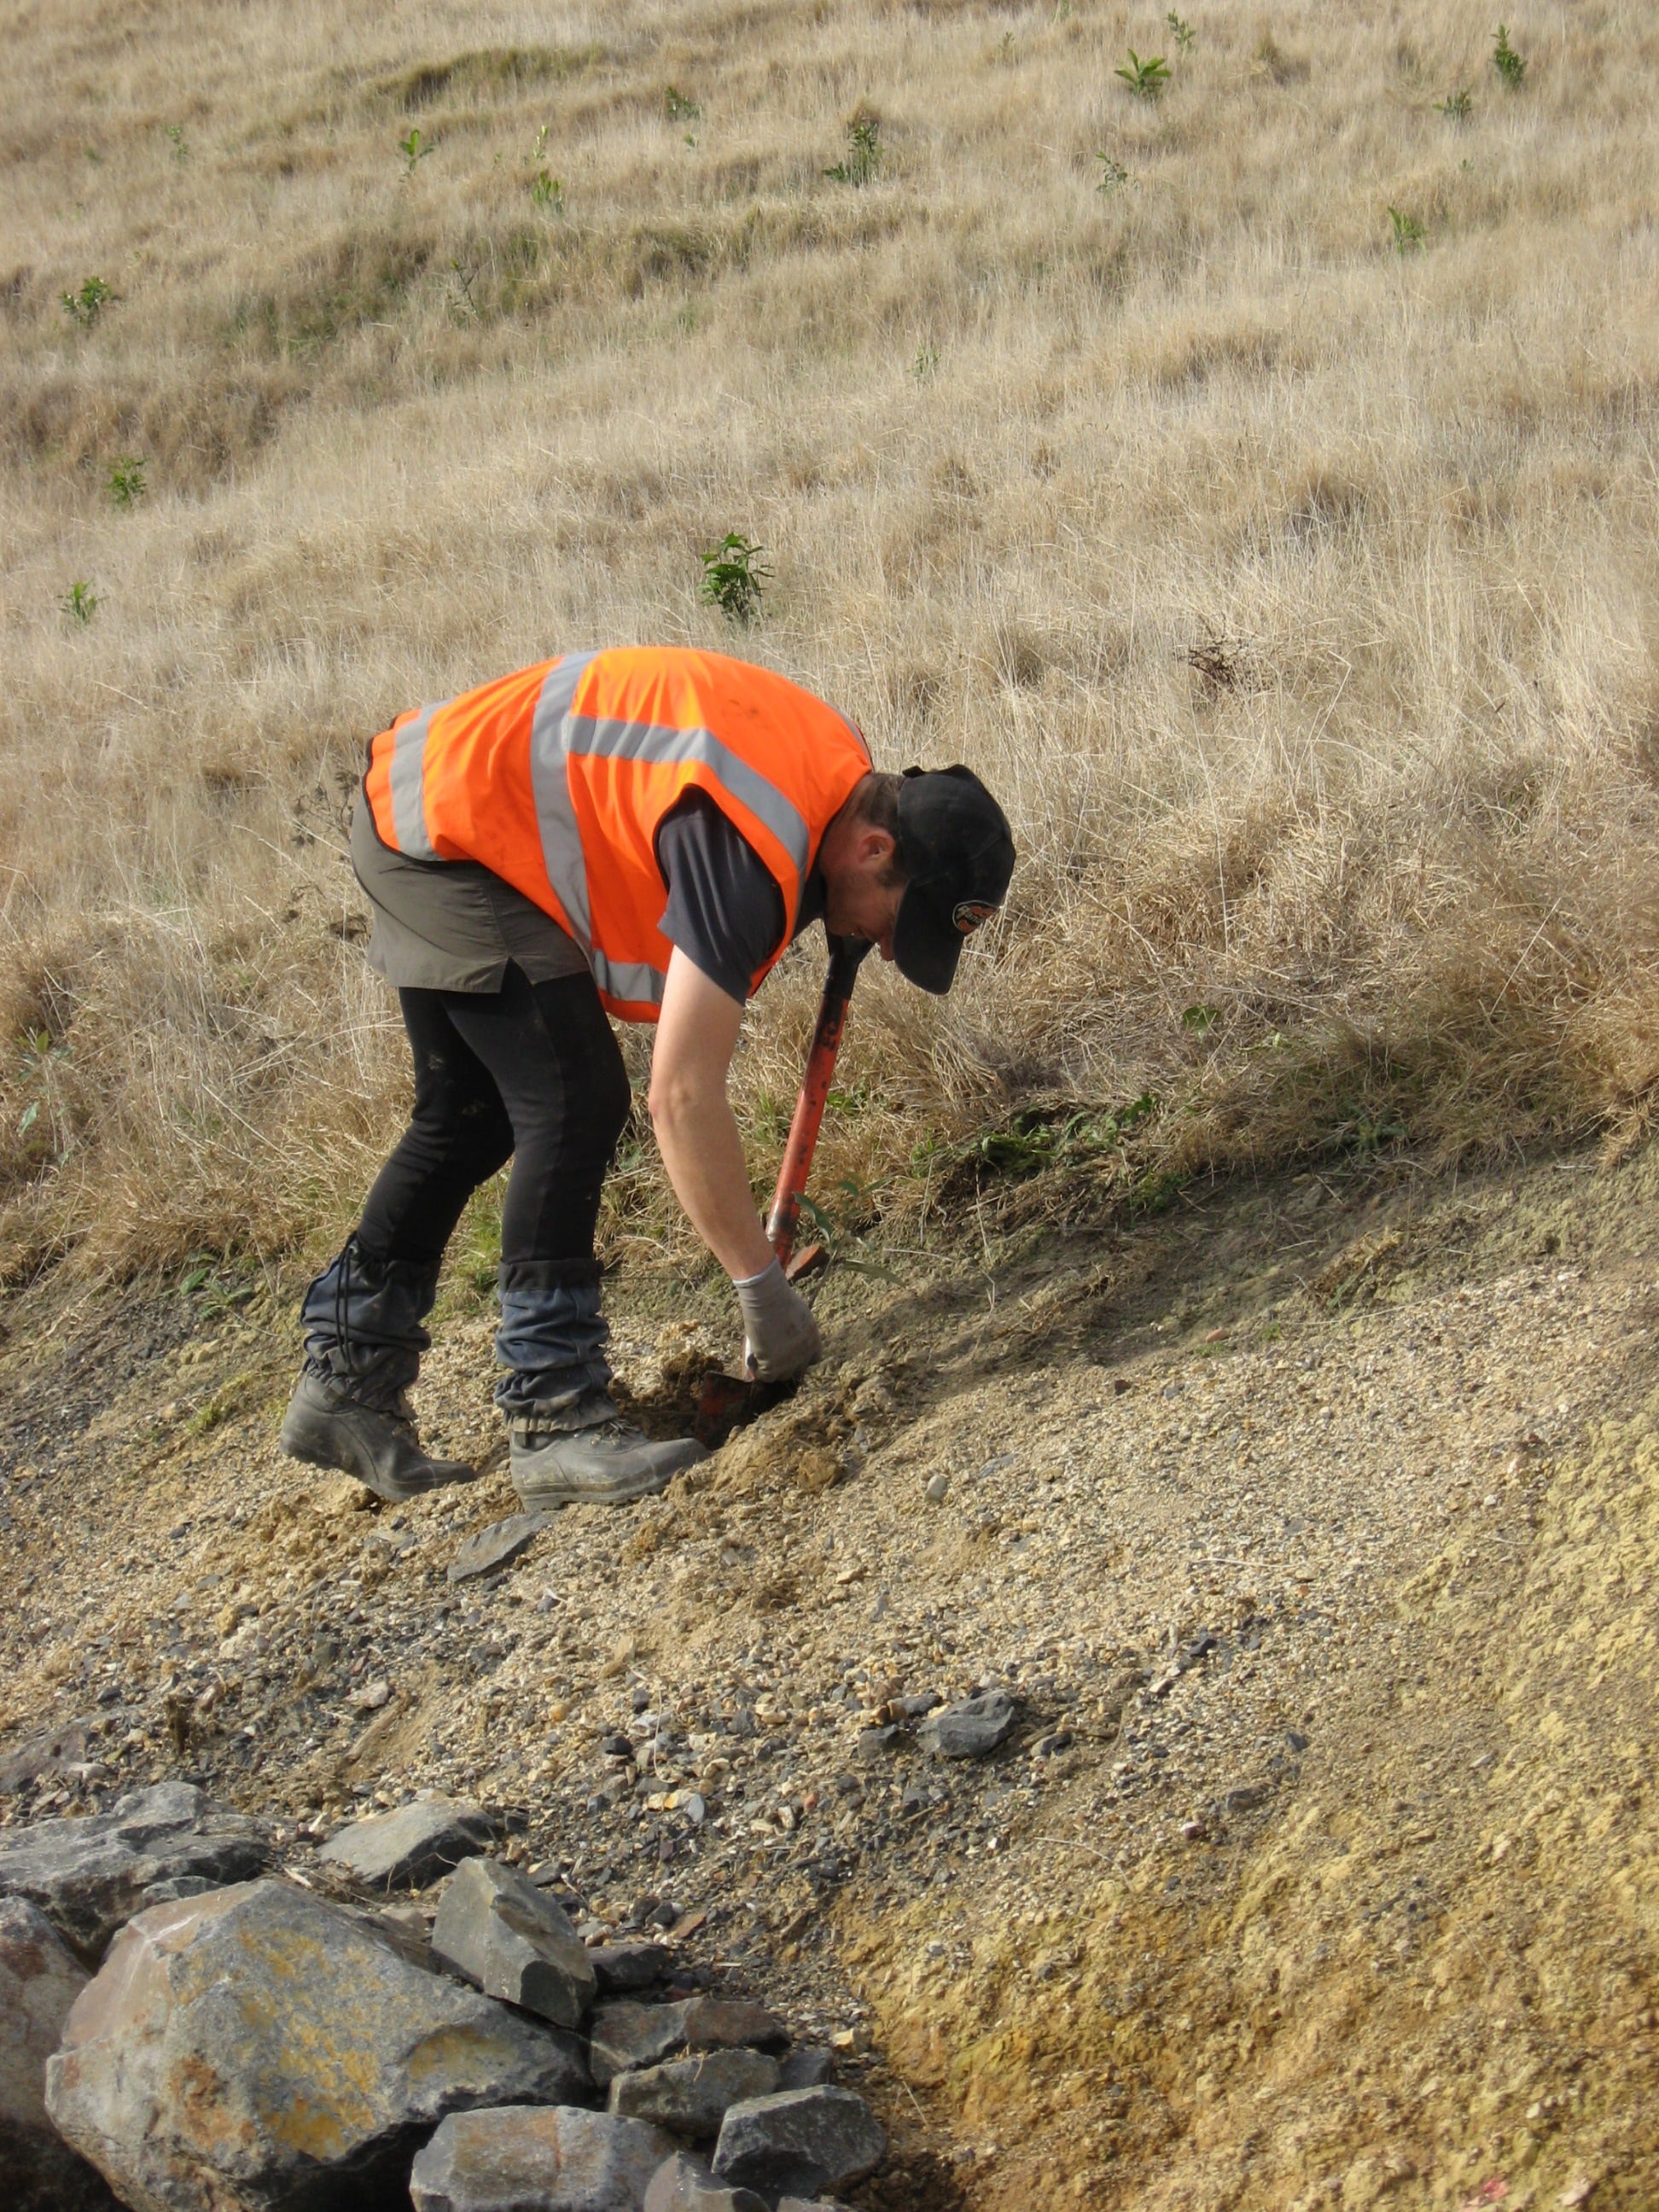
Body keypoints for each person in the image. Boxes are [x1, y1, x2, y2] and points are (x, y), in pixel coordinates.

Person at [279, 644, 1015, 1511]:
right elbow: (682, 1094)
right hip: (450, 828)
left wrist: (840, 906)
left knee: (470, 1115)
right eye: (899, 923)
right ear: (875, 845)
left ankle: (346, 1384)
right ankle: (555, 1418)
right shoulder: (754, 838)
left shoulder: (830, 777)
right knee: (575, 1098)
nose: (888, 949)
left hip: (433, 799)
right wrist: (759, 1287)